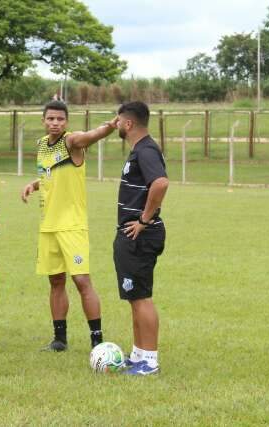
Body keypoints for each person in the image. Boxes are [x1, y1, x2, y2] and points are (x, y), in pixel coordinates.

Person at [21, 100, 117, 352]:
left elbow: (91, 136)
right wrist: (34, 184)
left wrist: (109, 126)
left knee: (82, 281)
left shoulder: (71, 141)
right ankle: (59, 339)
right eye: (51, 119)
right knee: (55, 282)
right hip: (48, 226)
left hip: (72, 226)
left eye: (60, 119)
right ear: (43, 120)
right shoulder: (42, 144)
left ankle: (98, 341)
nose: (55, 123)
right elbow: (50, 174)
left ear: (67, 122)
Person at [113, 101, 168, 376]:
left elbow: (160, 183)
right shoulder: (140, 149)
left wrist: (144, 220)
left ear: (129, 124)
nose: (116, 124)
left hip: (140, 235)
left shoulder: (145, 150)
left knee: (142, 297)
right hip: (129, 235)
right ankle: (138, 355)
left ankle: (150, 361)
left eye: (118, 120)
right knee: (134, 296)